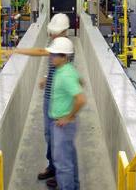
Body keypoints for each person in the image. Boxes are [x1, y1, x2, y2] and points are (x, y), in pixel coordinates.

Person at [4, 13, 70, 187]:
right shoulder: (57, 43)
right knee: (49, 135)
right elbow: (55, 66)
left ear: (63, 31)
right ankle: (52, 167)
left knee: (58, 139)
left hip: (60, 102)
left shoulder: (65, 46)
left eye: (55, 32)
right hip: (49, 98)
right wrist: (47, 77)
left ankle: (60, 173)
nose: (53, 35)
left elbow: (41, 52)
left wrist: (16, 50)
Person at [46, 37, 86, 190]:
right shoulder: (66, 69)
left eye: (54, 54)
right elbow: (81, 82)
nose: (51, 57)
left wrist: (68, 117)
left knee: (63, 166)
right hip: (62, 123)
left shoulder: (65, 74)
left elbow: (81, 99)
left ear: (64, 56)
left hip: (62, 125)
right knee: (69, 160)